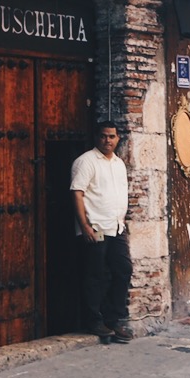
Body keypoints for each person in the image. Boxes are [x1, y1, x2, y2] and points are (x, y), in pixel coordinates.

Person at [70, 121, 133, 344]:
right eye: (104, 136)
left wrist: (122, 220)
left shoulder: (118, 164)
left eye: (112, 136)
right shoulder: (86, 161)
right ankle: (94, 320)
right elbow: (77, 193)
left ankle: (113, 319)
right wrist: (85, 225)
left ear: (118, 139)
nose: (108, 140)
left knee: (123, 270)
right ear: (97, 138)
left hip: (116, 228)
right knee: (95, 274)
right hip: (95, 227)